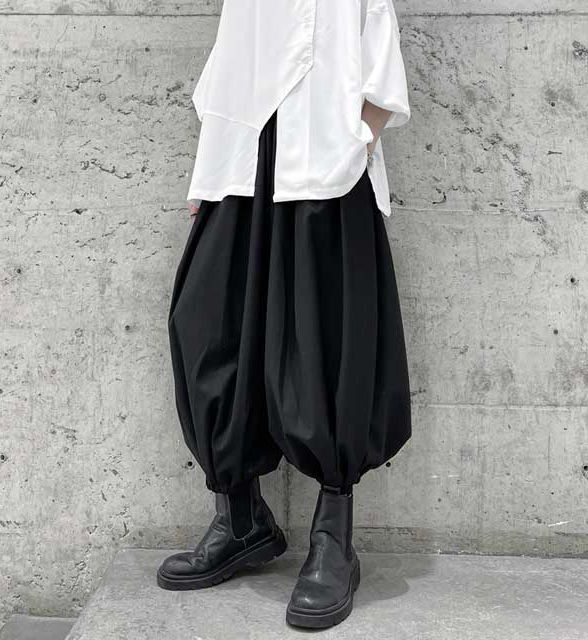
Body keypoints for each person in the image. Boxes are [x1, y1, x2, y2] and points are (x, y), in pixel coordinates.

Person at [157, 0, 412, 629]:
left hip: (325, 156)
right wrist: (207, 168)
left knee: (325, 340)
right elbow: (233, 56)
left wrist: (355, 144)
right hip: (242, 155)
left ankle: (333, 536)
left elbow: (379, 52)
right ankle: (242, 518)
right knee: (207, 324)